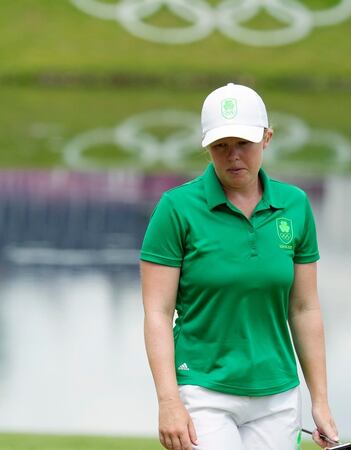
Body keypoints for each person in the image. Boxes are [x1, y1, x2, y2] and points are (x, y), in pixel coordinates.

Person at [140, 83, 339, 450]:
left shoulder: (294, 206)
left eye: (243, 144)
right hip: (202, 390)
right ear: (207, 147)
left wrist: (320, 401)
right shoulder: (176, 209)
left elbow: (304, 308)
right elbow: (157, 311)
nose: (233, 157)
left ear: (267, 138)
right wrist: (168, 401)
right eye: (221, 146)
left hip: (278, 395)